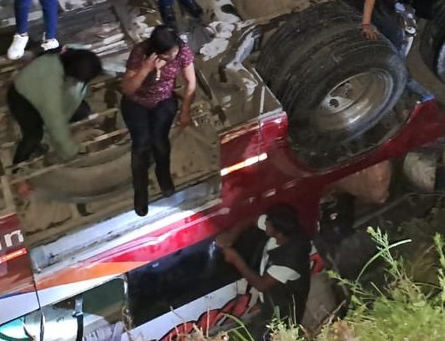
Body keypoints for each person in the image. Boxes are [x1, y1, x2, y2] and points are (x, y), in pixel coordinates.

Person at [120, 25, 196, 215]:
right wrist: (145, 69)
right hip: (137, 101)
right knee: (141, 145)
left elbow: (190, 82)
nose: (172, 56)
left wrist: (185, 110)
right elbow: (128, 89)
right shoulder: (140, 52)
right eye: (167, 54)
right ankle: (141, 190)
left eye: (173, 52)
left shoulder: (182, 51)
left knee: (160, 141)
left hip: (163, 100)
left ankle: (163, 175)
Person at [217, 205, 313, 339]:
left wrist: (235, 259)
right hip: (269, 303)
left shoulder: (291, 259)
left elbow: (261, 284)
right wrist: (232, 235)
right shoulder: (282, 230)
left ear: (278, 233)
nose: (264, 224)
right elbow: (251, 220)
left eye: (268, 225)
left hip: (284, 310)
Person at [6, 47, 102, 165]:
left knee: (82, 110)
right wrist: (71, 151)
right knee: (34, 135)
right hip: (22, 98)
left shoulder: (72, 57)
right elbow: (54, 118)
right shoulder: (50, 80)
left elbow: (78, 90)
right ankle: (17, 168)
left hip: (42, 91)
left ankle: (55, 136)